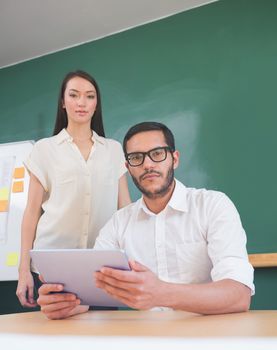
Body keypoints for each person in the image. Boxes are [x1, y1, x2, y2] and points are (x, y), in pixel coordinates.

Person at [37, 121, 254, 319]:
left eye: (157, 153)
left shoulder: (213, 205)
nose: (147, 164)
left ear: (175, 159)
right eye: (136, 157)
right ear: (128, 166)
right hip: (145, 338)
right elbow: (93, 292)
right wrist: (66, 303)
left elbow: (238, 295)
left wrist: (161, 293)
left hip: (209, 338)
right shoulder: (118, 223)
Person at [16, 70, 131, 308]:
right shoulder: (44, 150)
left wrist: (132, 258)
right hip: (54, 266)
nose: (82, 102)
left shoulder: (113, 150)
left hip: (103, 265)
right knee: (58, 339)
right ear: (63, 102)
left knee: (106, 338)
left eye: (89, 96)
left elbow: (125, 209)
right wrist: (23, 270)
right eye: (74, 95)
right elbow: (31, 214)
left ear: (96, 104)